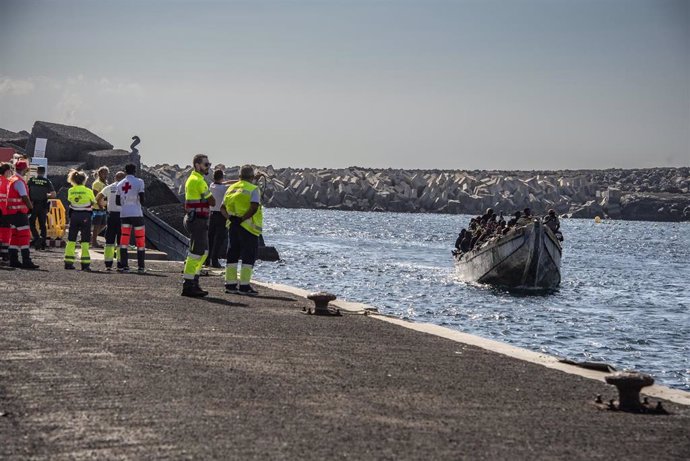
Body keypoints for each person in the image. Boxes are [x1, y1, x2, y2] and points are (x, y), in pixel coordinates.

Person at [222, 165, 263, 296]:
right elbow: (254, 207)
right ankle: (244, 286)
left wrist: (231, 218)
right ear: (251, 177)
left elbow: (222, 208)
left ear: (239, 176)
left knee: (232, 253)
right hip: (248, 227)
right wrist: (242, 218)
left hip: (233, 226)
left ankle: (230, 284)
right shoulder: (253, 189)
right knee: (249, 255)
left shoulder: (231, 188)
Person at [181, 154, 215, 297]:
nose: (208, 167)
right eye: (206, 164)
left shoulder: (194, 179)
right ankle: (188, 285)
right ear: (197, 165)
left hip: (195, 219)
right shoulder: (198, 181)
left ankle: (194, 281)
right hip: (197, 221)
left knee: (203, 252)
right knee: (196, 253)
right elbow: (212, 201)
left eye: (209, 164)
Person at [6, 160, 39, 269]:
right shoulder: (19, 181)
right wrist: (31, 207)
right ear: (24, 169)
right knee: (24, 236)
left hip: (11, 212)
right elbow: (24, 196)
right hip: (19, 213)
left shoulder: (11, 179)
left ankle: (13, 259)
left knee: (14, 236)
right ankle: (26, 260)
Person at [116, 163, 146, 273]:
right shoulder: (139, 182)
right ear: (135, 171)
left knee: (124, 240)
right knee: (140, 240)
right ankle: (141, 267)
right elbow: (142, 199)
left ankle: (125, 266)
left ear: (125, 171)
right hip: (137, 213)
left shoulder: (119, 184)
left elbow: (117, 202)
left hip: (124, 214)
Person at [64, 170, 96, 271]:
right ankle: (85, 264)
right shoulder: (88, 191)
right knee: (85, 240)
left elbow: (70, 200)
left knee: (71, 239)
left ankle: (68, 263)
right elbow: (94, 202)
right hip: (85, 216)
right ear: (85, 180)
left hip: (74, 216)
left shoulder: (70, 190)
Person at [96, 170, 126, 270]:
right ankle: (121, 264)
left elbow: (98, 197)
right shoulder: (126, 187)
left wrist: (101, 206)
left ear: (115, 178)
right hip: (122, 216)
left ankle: (108, 264)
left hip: (111, 216)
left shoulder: (109, 187)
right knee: (121, 241)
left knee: (109, 240)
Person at [27, 166, 56, 250]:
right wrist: (46, 195)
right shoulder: (47, 181)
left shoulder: (31, 180)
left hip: (32, 205)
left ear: (37, 171)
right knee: (42, 225)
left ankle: (36, 238)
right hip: (43, 205)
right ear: (44, 172)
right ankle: (42, 242)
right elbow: (53, 195)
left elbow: (26, 191)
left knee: (31, 223)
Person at [207, 169, 230, 268]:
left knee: (210, 238)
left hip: (211, 214)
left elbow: (223, 182)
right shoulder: (224, 188)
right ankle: (215, 260)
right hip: (221, 215)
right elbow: (226, 184)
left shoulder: (211, 186)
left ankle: (207, 259)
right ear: (222, 177)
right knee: (219, 238)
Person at [90, 166, 109, 248]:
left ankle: (91, 238)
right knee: (97, 225)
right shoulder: (97, 183)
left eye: (106, 173)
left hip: (103, 207)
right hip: (97, 208)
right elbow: (95, 195)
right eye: (104, 173)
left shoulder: (105, 183)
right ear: (99, 173)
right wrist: (100, 205)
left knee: (104, 224)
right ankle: (94, 242)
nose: (106, 174)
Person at [0, 163, 13, 262]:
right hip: (4, 211)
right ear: (7, 171)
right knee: (6, 231)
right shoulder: (8, 182)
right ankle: (5, 253)